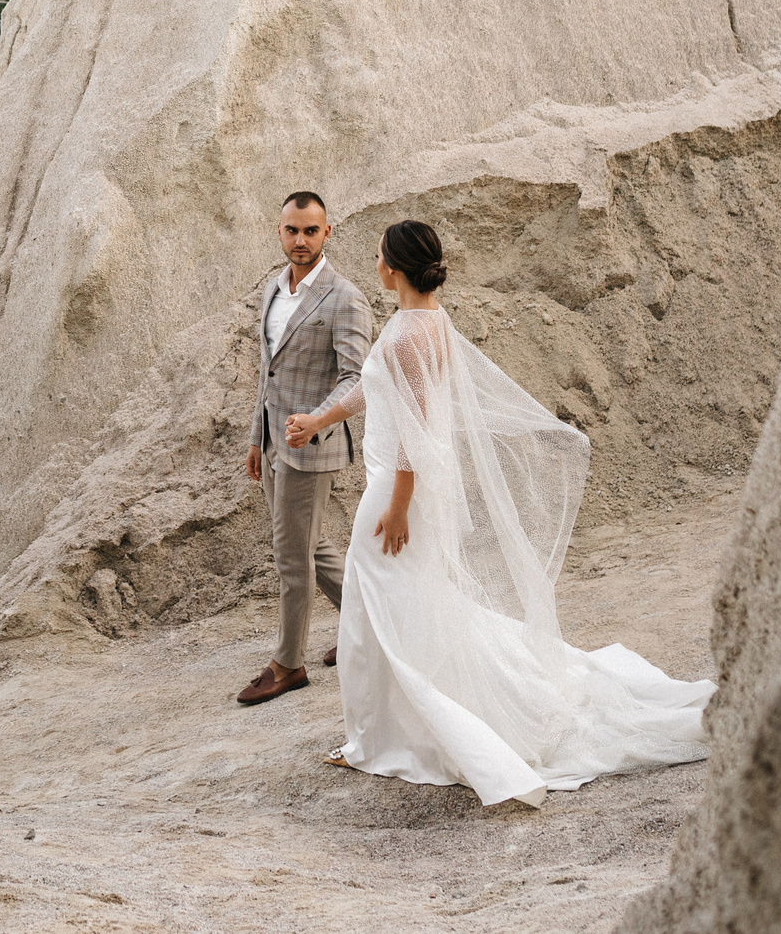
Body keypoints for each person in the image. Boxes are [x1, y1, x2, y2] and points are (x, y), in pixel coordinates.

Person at [283, 219, 713, 807]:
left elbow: (410, 429)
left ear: (395, 268)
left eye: (380, 255)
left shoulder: (410, 334)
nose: (375, 263)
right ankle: (382, 732)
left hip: (396, 491)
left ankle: (381, 738)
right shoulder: (424, 321)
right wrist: (321, 420)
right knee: (409, 605)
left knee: (373, 605)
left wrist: (400, 507)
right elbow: (378, 389)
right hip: (405, 487)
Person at [235, 191, 375, 705]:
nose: (300, 240)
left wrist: (316, 420)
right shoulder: (274, 289)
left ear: (327, 232)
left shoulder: (345, 298)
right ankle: (373, 629)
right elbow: (267, 375)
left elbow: (356, 379)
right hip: (273, 445)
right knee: (311, 547)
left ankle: (287, 664)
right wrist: (257, 437)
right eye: (292, 230)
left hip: (311, 447)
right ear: (279, 230)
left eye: (310, 231)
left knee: (292, 558)